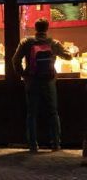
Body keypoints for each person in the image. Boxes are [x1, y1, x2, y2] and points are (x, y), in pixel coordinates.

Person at [12, 18, 72, 152]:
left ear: (35, 28)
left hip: (32, 81)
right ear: (47, 28)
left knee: (32, 113)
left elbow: (15, 60)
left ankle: (33, 145)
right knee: (53, 112)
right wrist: (68, 50)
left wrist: (24, 75)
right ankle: (56, 144)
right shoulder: (53, 43)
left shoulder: (26, 42)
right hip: (49, 81)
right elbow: (68, 57)